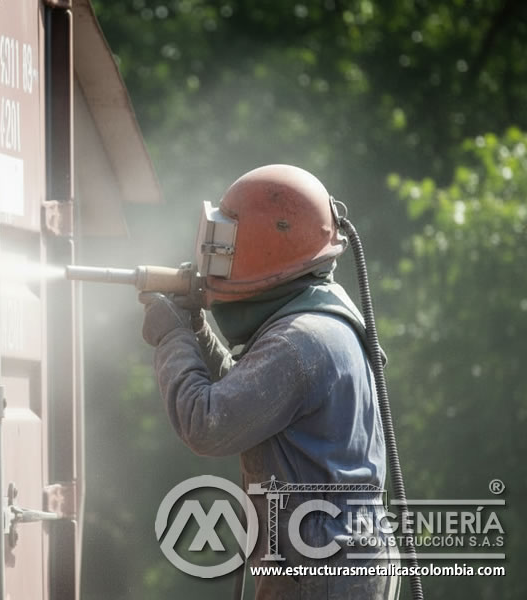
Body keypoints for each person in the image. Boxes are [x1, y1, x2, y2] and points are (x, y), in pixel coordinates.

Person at [140, 164, 400, 599]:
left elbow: (209, 422)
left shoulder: (299, 342)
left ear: (265, 248)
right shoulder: (317, 327)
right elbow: (248, 402)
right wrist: (197, 330)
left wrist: (173, 337)